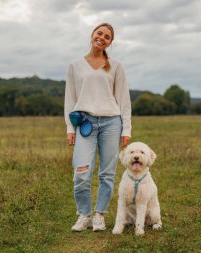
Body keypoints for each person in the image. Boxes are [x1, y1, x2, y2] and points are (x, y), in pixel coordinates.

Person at [64, 23, 132, 232]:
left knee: (107, 174)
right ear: (92, 35)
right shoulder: (75, 66)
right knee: (81, 173)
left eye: (107, 37)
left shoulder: (116, 66)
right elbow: (70, 98)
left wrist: (126, 129)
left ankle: (99, 215)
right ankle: (84, 215)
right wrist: (69, 127)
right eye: (99, 33)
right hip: (85, 124)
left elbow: (123, 99)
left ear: (110, 42)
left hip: (112, 123)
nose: (102, 38)